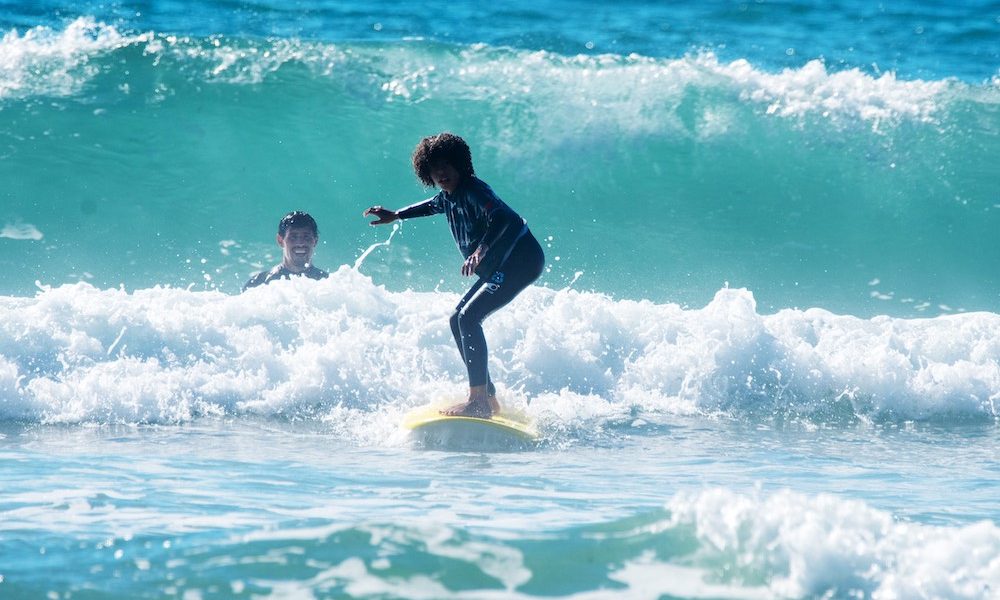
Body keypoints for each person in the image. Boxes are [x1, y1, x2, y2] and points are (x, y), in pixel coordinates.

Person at [364, 132, 545, 418]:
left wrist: (481, 250)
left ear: (461, 165)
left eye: (447, 165)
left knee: (469, 318)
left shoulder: (474, 190)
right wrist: (396, 215)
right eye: (435, 168)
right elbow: (430, 206)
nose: (441, 172)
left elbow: (504, 218)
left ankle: (478, 402)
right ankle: (488, 397)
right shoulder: (447, 197)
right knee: (457, 318)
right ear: (427, 172)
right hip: (501, 266)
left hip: (520, 261)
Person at [242, 211, 329, 292]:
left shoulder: (328, 285)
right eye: (293, 237)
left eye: (306, 237)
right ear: (280, 240)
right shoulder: (258, 285)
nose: (300, 243)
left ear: (315, 241)